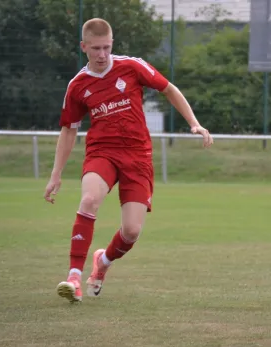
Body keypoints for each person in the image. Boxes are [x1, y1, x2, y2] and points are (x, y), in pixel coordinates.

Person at [44, 18, 213, 303]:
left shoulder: (132, 66)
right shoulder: (78, 85)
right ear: (83, 47)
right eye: (95, 48)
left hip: (137, 156)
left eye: (106, 47)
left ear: (112, 44)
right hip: (102, 152)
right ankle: (74, 277)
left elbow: (169, 88)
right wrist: (56, 174)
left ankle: (103, 263)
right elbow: (69, 130)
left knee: (132, 231)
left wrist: (194, 123)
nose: (102, 54)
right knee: (88, 201)